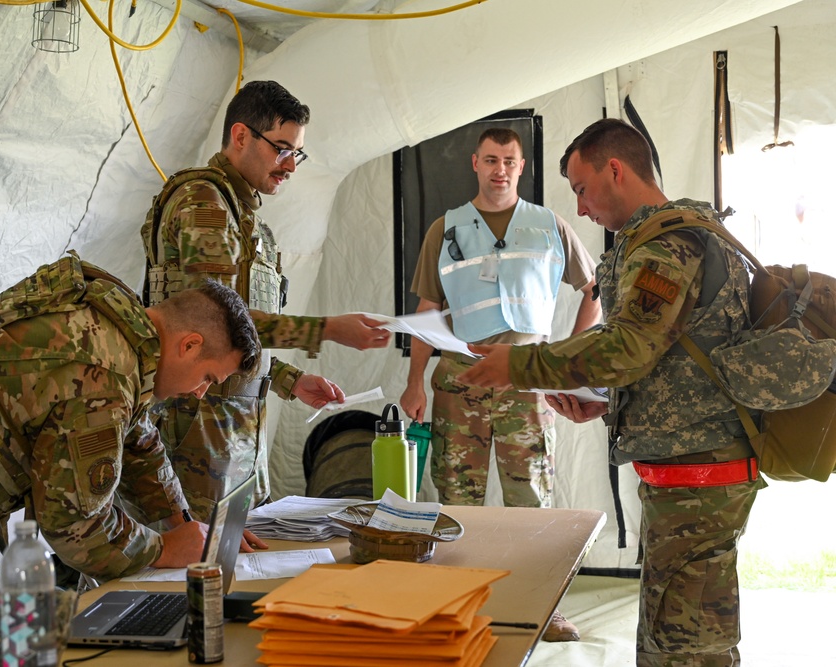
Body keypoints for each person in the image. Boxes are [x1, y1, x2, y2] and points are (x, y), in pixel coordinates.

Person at [0, 253, 262, 665]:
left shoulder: (118, 328)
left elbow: (138, 439)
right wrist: (161, 549)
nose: (201, 392)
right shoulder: (103, 371)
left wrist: (181, 521)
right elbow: (77, 527)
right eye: (208, 378)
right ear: (190, 344)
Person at [459, 118, 765, 665]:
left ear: (616, 170)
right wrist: (604, 400)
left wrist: (523, 364)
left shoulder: (671, 245)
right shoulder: (664, 239)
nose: (579, 208)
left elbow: (628, 347)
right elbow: (667, 359)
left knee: (686, 649)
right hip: (686, 473)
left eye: (581, 188)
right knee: (671, 637)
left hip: (698, 476)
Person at [141, 80, 390, 520]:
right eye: (282, 149)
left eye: (297, 152)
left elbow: (239, 339)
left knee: (240, 552)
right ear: (241, 136)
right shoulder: (205, 204)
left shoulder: (248, 220)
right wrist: (329, 328)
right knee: (199, 564)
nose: (290, 165)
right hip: (198, 427)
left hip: (234, 427)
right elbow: (215, 324)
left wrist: (288, 379)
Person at [401, 127, 598, 643]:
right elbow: (426, 313)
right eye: (490, 160)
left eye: (509, 160)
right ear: (475, 163)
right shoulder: (445, 229)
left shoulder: (549, 225)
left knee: (531, 499)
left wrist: (567, 363)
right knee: (456, 500)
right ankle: (456, 607)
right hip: (458, 379)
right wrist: (414, 383)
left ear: (522, 165)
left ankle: (543, 609)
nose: (500, 170)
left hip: (527, 379)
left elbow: (593, 290)